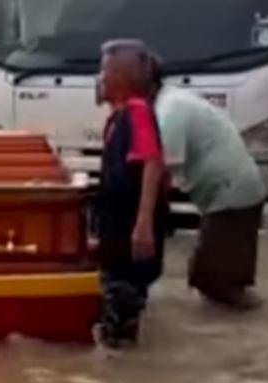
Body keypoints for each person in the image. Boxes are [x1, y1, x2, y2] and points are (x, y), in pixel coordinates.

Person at [150, 55, 267, 309]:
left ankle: (240, 311)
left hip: (231, 194)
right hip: (234, 191)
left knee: (215, 279)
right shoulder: (173, 100)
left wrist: (147, 212)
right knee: (215, 272)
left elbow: (164, 167)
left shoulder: (170, 109)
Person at [94, 39, 169, 350]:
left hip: (130, 229)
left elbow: (153, 162)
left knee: (121, 310)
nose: (99, 78)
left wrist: (143, 223)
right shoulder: (120, 116)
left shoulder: (137, 111)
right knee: (116, 307)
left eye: (104, 71)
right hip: (119, 227)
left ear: (120, 76)